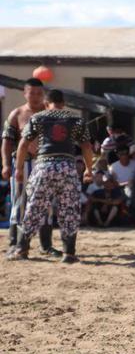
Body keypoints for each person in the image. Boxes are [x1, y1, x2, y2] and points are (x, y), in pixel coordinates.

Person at [7, 90, 94, 263]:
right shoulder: (76, 119)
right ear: (63, 103)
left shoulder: (38, 118)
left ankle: (22, 249)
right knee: (69, 209)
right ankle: (69, 253)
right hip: (67, 167)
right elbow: (86, 146)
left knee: (34, 208)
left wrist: (18, 169)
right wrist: (88, 169)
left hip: (44, 166)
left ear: (47, 103)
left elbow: (23, 144)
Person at [1, 78, 60, 257]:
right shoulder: (16, 114)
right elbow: (7, 142)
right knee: (19, 203)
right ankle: (15, 243)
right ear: (25, 93)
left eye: (38, 93)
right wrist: (5, 164)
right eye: (31, 93)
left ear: (43, 94)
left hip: (45, 164)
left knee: (47, 204)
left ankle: (45, 245)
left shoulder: (50, 113)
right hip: (22, 163)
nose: (35, 97)